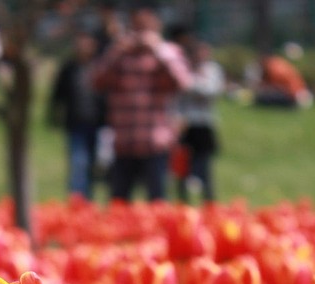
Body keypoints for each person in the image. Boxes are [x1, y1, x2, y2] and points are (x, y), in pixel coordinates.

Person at [92, 7, 193, 202]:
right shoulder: (120, 55)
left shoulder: (167, 53)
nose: (140, 33)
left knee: (157, 199)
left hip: (155, 142)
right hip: (124, 141)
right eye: (137, 27)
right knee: (119, 201)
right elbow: (96, 81)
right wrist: (116, 50)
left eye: (146, 27)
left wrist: (158, 48)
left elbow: (183, 82)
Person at [50, 31, 106, 199]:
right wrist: (54, 116)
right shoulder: (69, 68)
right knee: (78, 163)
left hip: (98, 123)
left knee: (95, 165)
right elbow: (57, 94)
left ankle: (88, 198)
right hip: (75, 124)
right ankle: (78, 199)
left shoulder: (100, 67)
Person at [172, 31, 224, 203]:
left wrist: (190, 82)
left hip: (204, 123)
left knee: (204, 164)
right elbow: (178, 94)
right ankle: (183, 201)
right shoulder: (183, 68)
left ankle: (208, 201)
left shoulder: (212, 69)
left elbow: (210, 91)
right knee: (182, 165)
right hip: (185, 124)